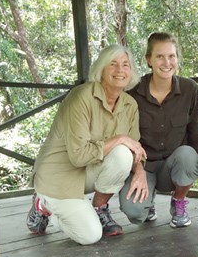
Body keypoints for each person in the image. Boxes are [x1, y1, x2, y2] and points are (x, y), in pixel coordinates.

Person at [26, 44, 147, 245]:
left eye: (125, 65)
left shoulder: (129, 104)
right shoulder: (81, 96)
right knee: (90, 236)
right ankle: (44, 204)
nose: (120, 70)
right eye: (113, 64)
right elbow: (78, 156)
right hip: (59, 176)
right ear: (101, 70)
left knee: (124, 155)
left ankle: (98, 208)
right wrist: (119, 139)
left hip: (87, 172)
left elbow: (134, 147)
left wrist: (140, 170)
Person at [119, 32, 198, 228]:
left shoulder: (189, 88)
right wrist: (137, 169)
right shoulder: (132, 91)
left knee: (189, 156)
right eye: (160, 56)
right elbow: (125, 137)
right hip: (143, 167)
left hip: (172, 167)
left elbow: (194, 133)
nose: (167, 62)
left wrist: (193, 170)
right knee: (134, 212)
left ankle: (179, 201)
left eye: (171, 56)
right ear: (149, 60)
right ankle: (148, 204)